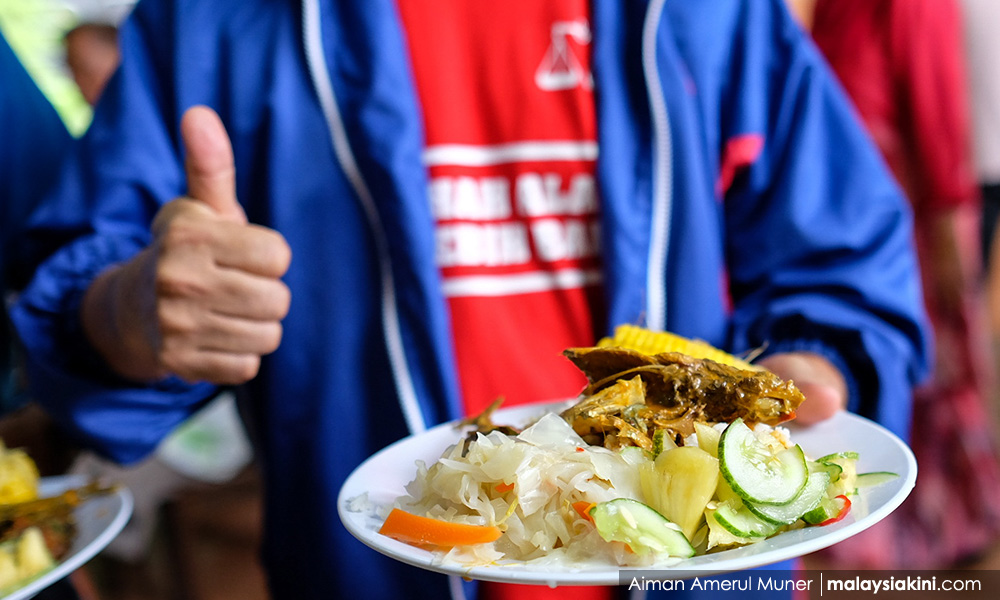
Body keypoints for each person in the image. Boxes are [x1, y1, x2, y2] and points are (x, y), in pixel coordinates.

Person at [10, 1, 930, 599]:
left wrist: (818, 366)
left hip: (705, 580)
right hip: (362, 576)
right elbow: (77, 302)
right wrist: (129, 315)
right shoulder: (210, 23)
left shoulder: (710, 14)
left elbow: (845, 266)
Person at [809, 0, 1000, 568]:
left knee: (926, 382)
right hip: (853, 230)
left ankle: (926, 535)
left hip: (908, 227)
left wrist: (948, 227)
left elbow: (939, 119)